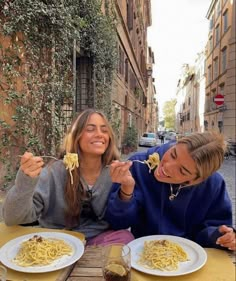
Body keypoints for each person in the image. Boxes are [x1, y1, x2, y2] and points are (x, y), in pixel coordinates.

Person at [2, 109, 134, 245]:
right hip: (56, 241)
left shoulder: (115, 172)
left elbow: (122, 222)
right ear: (76, 136)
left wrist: (126, 190)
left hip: (98, 241)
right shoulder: (53, 172)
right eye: (90, 129)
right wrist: (25, 181)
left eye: (104, 130)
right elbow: (12, 218)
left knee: (126, 237)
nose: (100, 135)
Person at [105, 131, 236, 251]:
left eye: (182, 170)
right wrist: (126, 191)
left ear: (197, 180)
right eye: (173, 154)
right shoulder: (138, 166)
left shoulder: (213, 185)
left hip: (189, 259)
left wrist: (222, 235)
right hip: (143, 252)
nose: (167, 167)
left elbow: (215, 229)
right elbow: (117, 223)